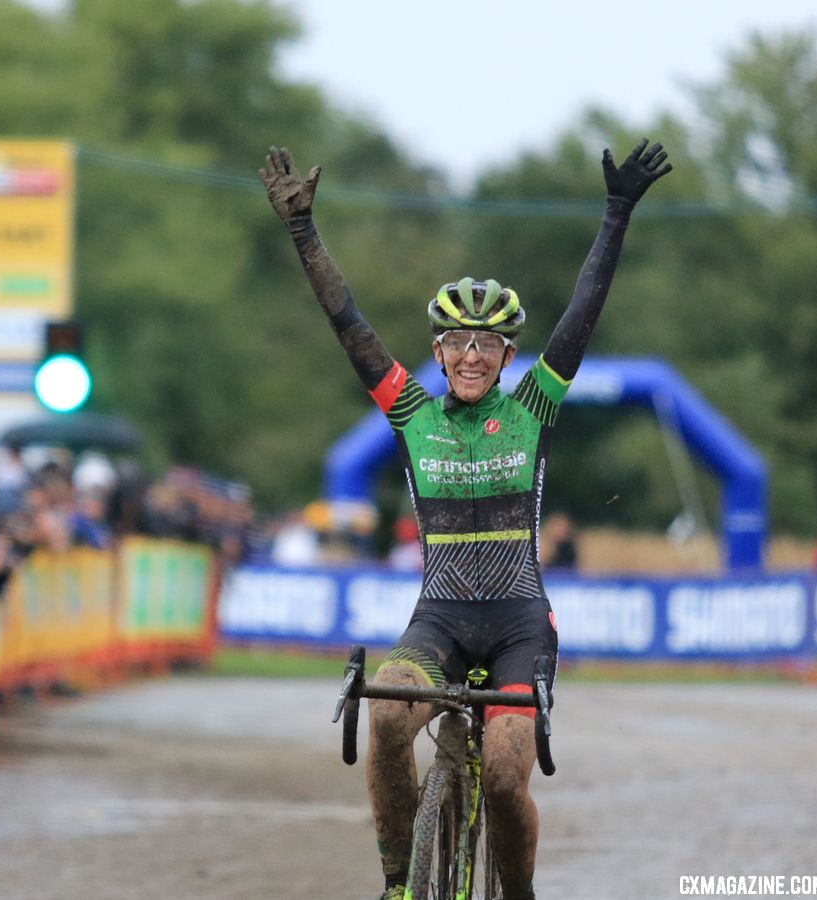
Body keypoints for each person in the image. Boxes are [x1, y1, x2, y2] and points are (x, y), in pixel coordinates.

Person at [261, 139, 671, 900]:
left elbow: (583, 313)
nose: (472, 355)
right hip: (441, 620)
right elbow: (347, 321)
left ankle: (517, 891)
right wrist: (302, 232)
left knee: (510, 776)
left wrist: (615, 215)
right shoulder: (410, 412)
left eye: (488, 343)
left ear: (508, 354)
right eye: (458, 342)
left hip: (518, 622)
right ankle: (400, 882)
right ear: (439, 352)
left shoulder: (532, 408)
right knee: (385, 721)